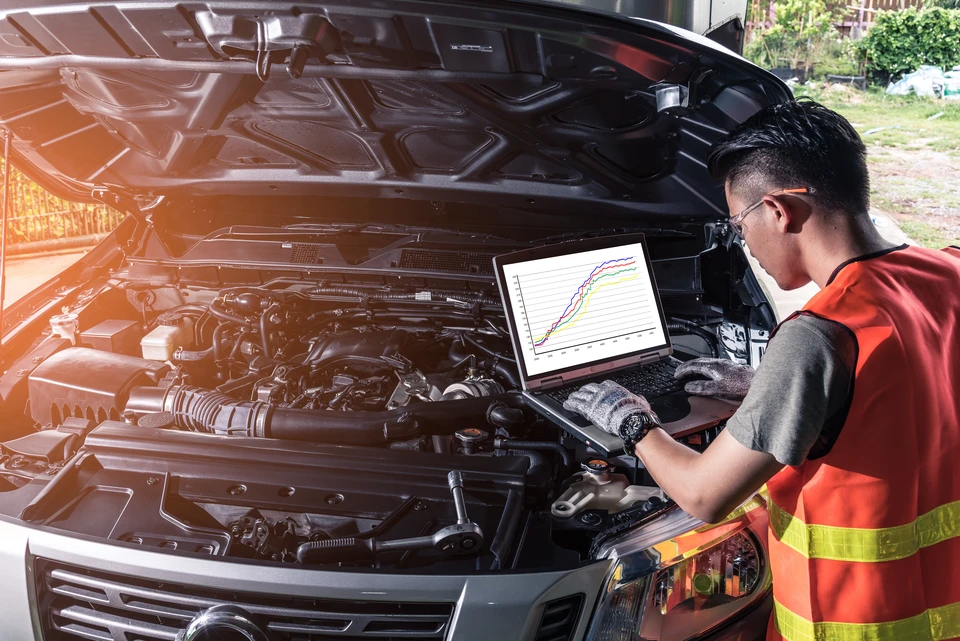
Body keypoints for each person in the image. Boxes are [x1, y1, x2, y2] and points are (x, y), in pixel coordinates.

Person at [562, 100, 960, 641]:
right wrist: (769, 390)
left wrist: (632, 422)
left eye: (738, 224)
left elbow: (704, 495)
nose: (744, 243)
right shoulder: (949, 271)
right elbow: (914, 390)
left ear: (778, 211)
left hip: (855, 621)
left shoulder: (818, 334)